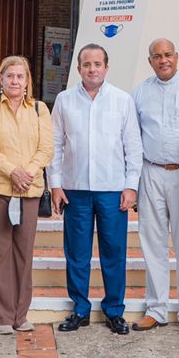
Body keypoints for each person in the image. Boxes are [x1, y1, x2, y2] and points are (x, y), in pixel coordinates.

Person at [50, 44, 142, 335]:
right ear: (79, 69)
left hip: (112, 190)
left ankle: (114, 310)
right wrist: (55, 184)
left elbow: (134, 147)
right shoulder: (64, 101)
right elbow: (54, 145)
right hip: (75, 189)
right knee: (77, 253)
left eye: (98, 64)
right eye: (87, 64)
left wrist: (131, 186)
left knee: (113, 252)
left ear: (106, 67)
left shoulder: (122, 100)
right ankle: (80, 309)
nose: (92, 69)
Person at [130, 37, 179, 335]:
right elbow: (132, 138)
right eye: (157, 56)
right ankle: (156, 309)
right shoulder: (138, 93)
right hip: (150, 172)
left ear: (177, 57)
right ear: (149, 61)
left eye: (168, 55)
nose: (163, 60)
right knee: (152, 242)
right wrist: (133, 183)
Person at [0, 54, 54, 334]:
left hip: (29, 191)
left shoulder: (39, 110)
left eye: (20, 77)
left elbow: (46, 148)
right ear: (1, 80)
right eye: (10, 76)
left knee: (23, 252)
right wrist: (12, 172)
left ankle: (20, 315)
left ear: (27, 81)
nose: (15, 81)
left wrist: (27, 173)